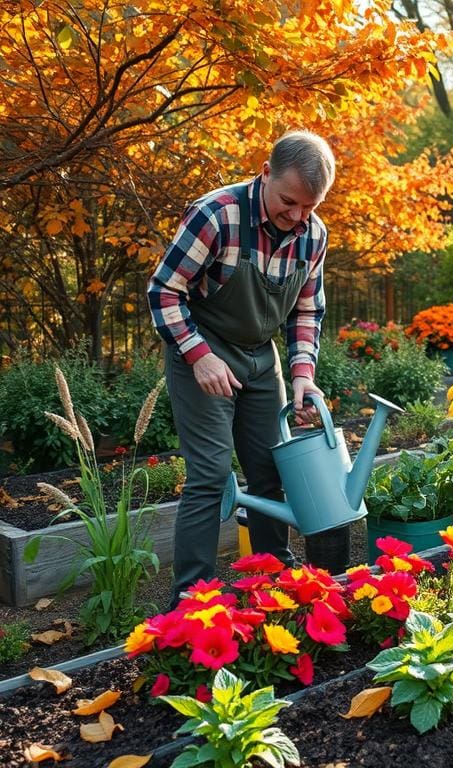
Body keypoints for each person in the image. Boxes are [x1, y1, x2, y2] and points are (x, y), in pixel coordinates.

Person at [147, 129, 349, 603]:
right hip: (205, 350)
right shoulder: (216, 217)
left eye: (309, 207)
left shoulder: (312, 235)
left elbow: (306, 311)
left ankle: (272, 582)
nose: (298, 216)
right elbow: (164, 291)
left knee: (271, 471)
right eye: (288, 202)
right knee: (212, 475)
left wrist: (303, 375)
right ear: (264, 174)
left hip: (263, 359)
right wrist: (198, 356)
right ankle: (193, 598)